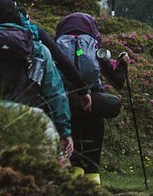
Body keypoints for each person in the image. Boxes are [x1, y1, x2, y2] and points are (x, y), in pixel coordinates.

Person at [0, 0, 74, 157]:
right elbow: (55, 93)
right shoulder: (38, 50)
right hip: (30, 123)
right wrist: (64, 131)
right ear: (17, 16)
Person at [55, 12, 127, 186]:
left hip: (66, 103)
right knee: (94, 126)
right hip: (92, 101)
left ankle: (74, 171)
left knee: (71, 132)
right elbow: (118, 82)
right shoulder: (95, 48)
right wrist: (123, 64)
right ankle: (93, 174)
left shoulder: (56, 47)